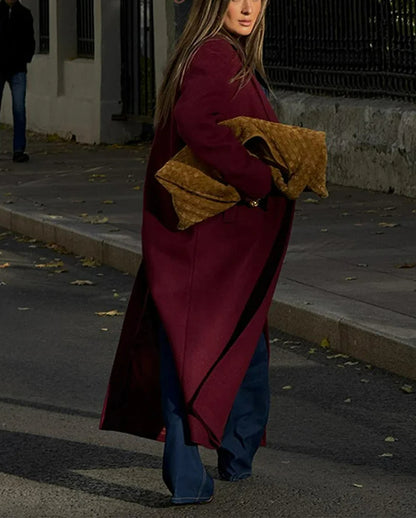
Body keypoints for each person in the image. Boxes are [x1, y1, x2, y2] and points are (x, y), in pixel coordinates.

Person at [100, 0, 295, 505]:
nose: (249, 5)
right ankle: (188, 476)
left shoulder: (222, 52)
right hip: (203, 241)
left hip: (218, 242)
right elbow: (194, 119)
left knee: (243, 336)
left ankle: (238, 452)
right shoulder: (214, 54)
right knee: (188, 350)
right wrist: (256, 177)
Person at [0, 0, 35, 163]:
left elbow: (30, 40)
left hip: (18, 69)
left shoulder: (24, 14)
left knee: (19, 109)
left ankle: (18, 149)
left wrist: (25, 58)